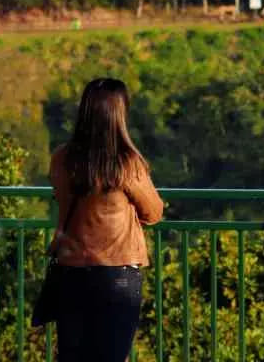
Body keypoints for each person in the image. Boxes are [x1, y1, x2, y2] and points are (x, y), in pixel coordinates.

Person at [48, 77, 165, 362]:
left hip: (70, 271)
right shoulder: (126, 163)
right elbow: (153, 212)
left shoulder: (63, 158)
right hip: (117, 276)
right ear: (118, 114)